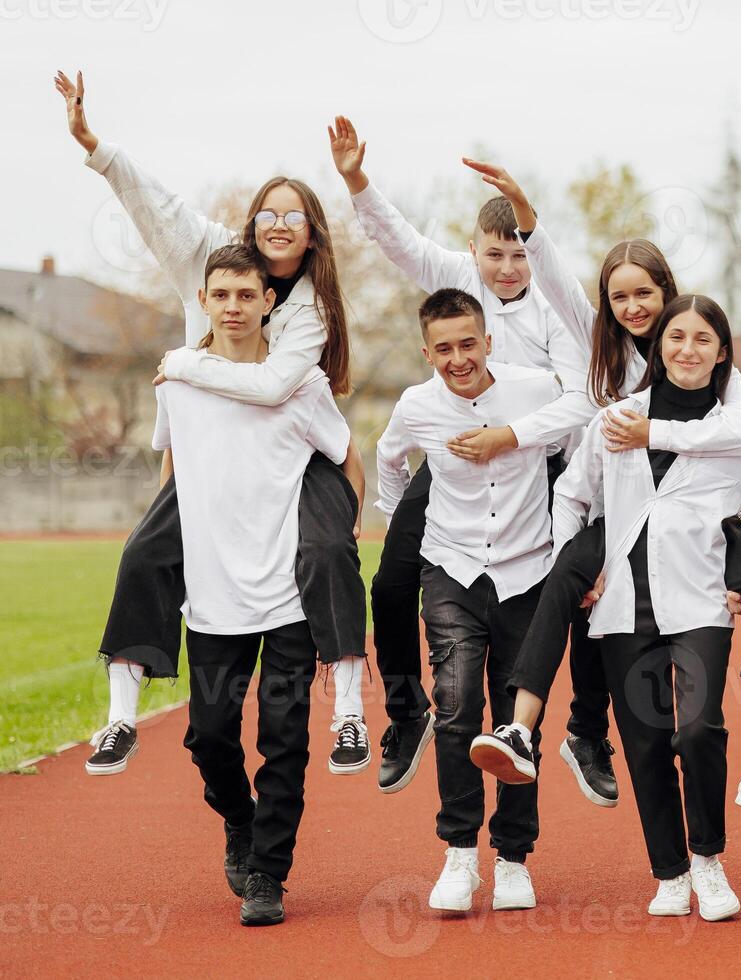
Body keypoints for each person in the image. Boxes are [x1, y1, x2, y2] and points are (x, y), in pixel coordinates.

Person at [54, 71, 370, 777]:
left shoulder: (307, 310)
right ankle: (119, 719)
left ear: (312, 234)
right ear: (251, 223)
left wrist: (184, 363)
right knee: (143, 555)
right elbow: (156, 205)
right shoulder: (211, 259)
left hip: (294, 455)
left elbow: (272, 387)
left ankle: (350, 710)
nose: (280, 223)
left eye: (296, 215)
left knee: (325, 555)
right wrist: (95, 146)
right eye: (269, 212)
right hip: (209, 454)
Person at [455, 159, 741, 810]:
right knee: (573, 574)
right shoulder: (600, 340)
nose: (632, 307)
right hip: (616, 513)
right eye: (619, 296)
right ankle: (523, 727)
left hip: (697, 518)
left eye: (644, 293)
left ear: (666, 292)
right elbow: (558, 279)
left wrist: (658, 434)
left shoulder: (697, 349)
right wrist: (523, 209)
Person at [329, 116, 601, 794]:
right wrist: (357, 179)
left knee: (591, 589)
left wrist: (513, 436)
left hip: (541, 463)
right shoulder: (453, 274)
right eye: (494, 255)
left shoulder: (555, 305)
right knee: (391, 582)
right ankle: (405, 712)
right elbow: (395, 238)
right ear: (473, 251)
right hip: (455, 460)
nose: (507, 269)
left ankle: (588, 734)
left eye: (518, 255)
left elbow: (579, 400)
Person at [480, 294, 741, 920]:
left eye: (703, 340)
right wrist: (585, 563)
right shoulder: (616, 418)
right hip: (624, 605)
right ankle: (670, 872)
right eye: (676, 337)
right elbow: (573, 494)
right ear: (658, 348)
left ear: (721, 354)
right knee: (646, 743)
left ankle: (708, 859)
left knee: (698, 729)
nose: (688, 349)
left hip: (700, 600)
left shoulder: (732, 427)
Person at [164, 244, 363, 927]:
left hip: (286, 599)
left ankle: (268, 875)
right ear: (204, 301)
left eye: (246, 295)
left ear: (268, 302)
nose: (233, 306)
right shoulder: (179, 383)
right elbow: (169, 477)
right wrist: (158, 559)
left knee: (285, 740)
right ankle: (240, 822)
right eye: (220, 295)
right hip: (211, 596)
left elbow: (347, 461)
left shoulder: (301, 385)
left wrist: (338, 537)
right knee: (208, 736)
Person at [376, 289, 566, 913]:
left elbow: (587, 411)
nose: (458, 359)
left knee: (517, 717)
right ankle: (460, 854)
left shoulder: (536, 388)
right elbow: (388, 457)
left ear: (489, 341)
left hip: (527, 571)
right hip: (452, 569)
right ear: (426, 351)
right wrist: (403, 510)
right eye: (444, 348)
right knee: (456, 704)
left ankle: (513, 858)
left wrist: (510, 437)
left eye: (468, 343)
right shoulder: (416, 405)